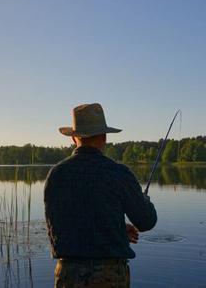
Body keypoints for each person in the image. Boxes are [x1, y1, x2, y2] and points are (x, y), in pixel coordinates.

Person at [44, 103, 157, 288]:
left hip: (67, 275)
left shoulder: (55, 174)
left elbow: (59, 226)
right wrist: (144, 200)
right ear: (104, 137)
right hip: (109, 276)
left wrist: (117, 228)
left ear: (74, 138)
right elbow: (146, 221)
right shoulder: (118, 173)